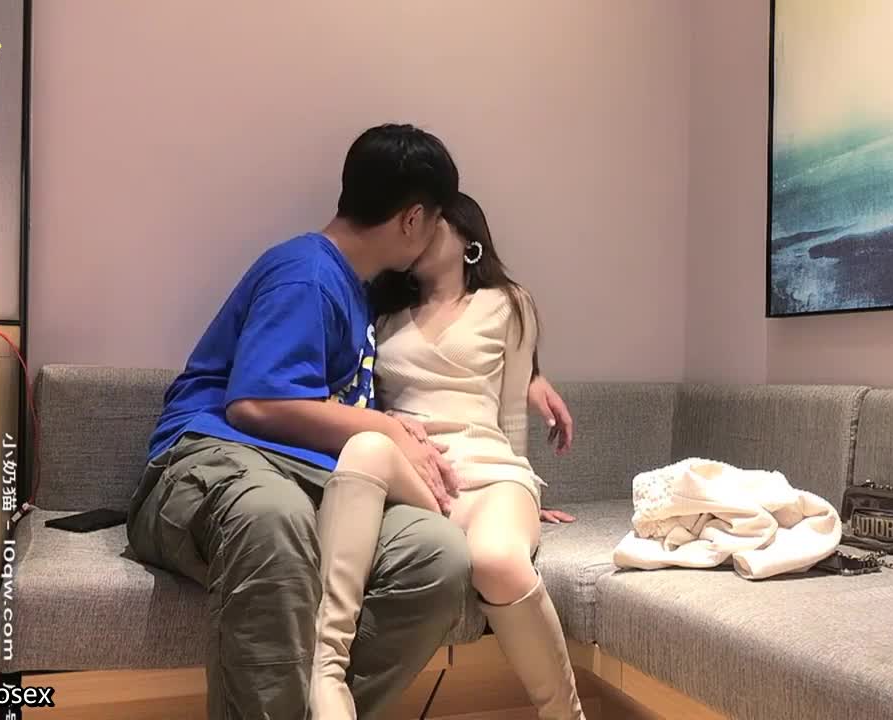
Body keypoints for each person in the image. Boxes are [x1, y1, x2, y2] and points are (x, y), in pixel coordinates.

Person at [126, 125, 572, 720]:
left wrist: (527, 381)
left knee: (437, 554)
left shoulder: (366, 297)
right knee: (274, 519)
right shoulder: (306, 273)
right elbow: (254, 406)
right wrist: (388, 431)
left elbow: (457, 372)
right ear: (413, 219)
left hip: (313, 476)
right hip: (215, 459)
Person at [310, 192, 586, 720]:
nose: (415, 231)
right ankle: (326, 673)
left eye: (430, 223)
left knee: (497, 560)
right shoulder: (383, 312)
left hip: (491, 474)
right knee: (367, 445)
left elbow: (511, 414)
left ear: (466, 237)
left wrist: (525, 495)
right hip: (418, 473)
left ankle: (566, 715)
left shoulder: (508, 303)